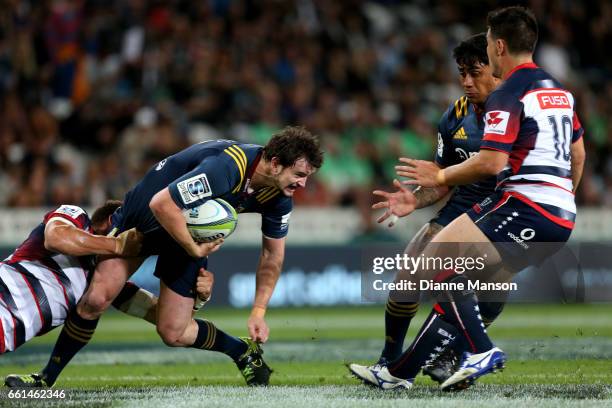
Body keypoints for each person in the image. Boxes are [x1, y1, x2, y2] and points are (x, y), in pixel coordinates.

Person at [350, 6, 585, 391]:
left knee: (440, 268)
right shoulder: (557, 91)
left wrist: (440, 174)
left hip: (521, 205)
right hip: (551, 213)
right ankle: (399, 371)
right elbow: (578, 155)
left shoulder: (510, 91)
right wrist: (563, 200)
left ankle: (479, 350)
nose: (469, 79)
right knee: (451, 276)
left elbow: (491, 163)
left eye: (489, 43)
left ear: (499, 46)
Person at [9, 126, 323, 388]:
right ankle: (45, 380)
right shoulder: (226, 167)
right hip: (146, 214)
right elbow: (163, 204)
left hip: (185, 227)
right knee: (96, 298)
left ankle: (241, 351)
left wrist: (258, 310)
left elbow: (272, 255)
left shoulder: (279, 196)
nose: (303, 184)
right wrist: (193, 249)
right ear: (275, 162)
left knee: (174, 332)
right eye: (299, 174)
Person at [349, 33, 507, 386]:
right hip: (462, 207)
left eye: (475, 72)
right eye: (461, 73)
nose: (466, 81)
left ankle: (456, 358)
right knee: (407, 276)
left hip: (504, 210)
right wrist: (415, 198)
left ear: (497, 72)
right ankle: (390, 361)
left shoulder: (517, 111)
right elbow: (442, 178)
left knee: (490, 290)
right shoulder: (454, 116)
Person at [0, 201, 146, 355]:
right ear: (109, 222)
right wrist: (116, 244)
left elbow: (160, 316)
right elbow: (55, 238)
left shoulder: (100, 283)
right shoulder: (77, 218)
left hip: (7, 334)